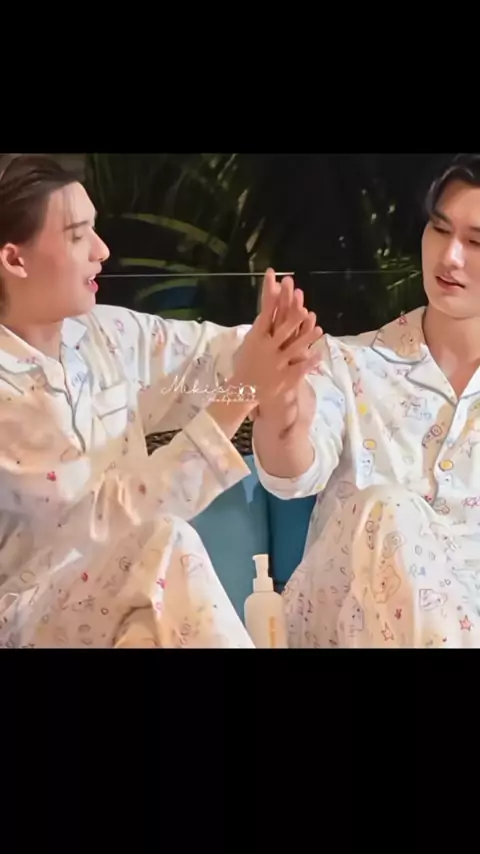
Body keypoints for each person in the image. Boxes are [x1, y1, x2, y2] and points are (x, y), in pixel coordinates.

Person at [0, 153, 321, 648]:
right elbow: (104, 522)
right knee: (163, 545)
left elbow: (206, 355)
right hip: (30, 620)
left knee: (152, 623)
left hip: (126, 602)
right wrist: (243, 393)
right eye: (78, 235)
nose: (102, 250)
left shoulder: (104, 335)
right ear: (14, 260)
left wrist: (281, 341)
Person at [252, 152, 480, 649]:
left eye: (475, 242)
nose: (450, 257)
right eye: (440, 229)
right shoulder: (352, 363)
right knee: (386, 509)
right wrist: (284, 409)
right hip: (335, 623)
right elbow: (292, 473)